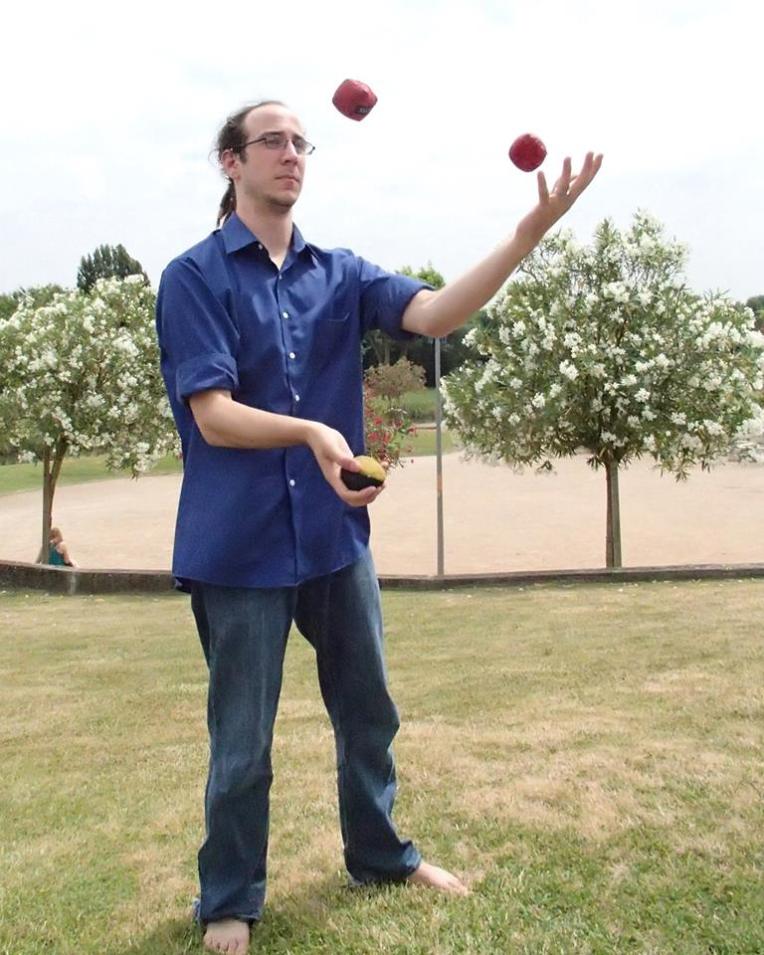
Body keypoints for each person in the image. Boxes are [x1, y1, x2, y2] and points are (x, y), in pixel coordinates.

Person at [156, 98, 602, 954]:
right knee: (242, 741)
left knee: (368, 711)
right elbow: (213, 414)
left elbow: (434, 315)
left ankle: (383, 856)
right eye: (271, 142)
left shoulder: (340, 270)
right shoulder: (195, 278)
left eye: (299, 141)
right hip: (237, 547)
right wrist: (316, 432)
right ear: (230, 163)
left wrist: (526, 236)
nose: (291, 153)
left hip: (332, 537)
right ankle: (229, 899)